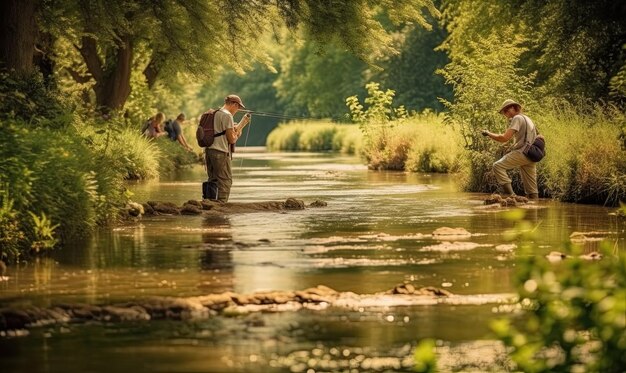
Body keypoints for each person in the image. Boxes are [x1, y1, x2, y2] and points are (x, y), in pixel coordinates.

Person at [482, 99, 539, 199]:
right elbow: (532, 137)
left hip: (522, 153)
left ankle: (512, 197)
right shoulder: (528, 119)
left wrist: (488, 133)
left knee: (497, 166)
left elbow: (504, 138)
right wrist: (513, 147)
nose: (504, 114)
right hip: (531, 154)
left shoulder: (517, 118)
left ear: (512, 108)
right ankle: (535, 208)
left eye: (505, 111)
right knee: (532, 190)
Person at [205, 94, 251, 202]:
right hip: (220, 152)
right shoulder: (227, 115)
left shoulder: (215, 113)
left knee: (212, 179)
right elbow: (231, 140)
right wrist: (239, 130)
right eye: (238, 107)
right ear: (234, 104)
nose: (238, 110)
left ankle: (208, 203)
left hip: (208, 151)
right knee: (225, 181)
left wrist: (240, 126)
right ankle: (221, 205)